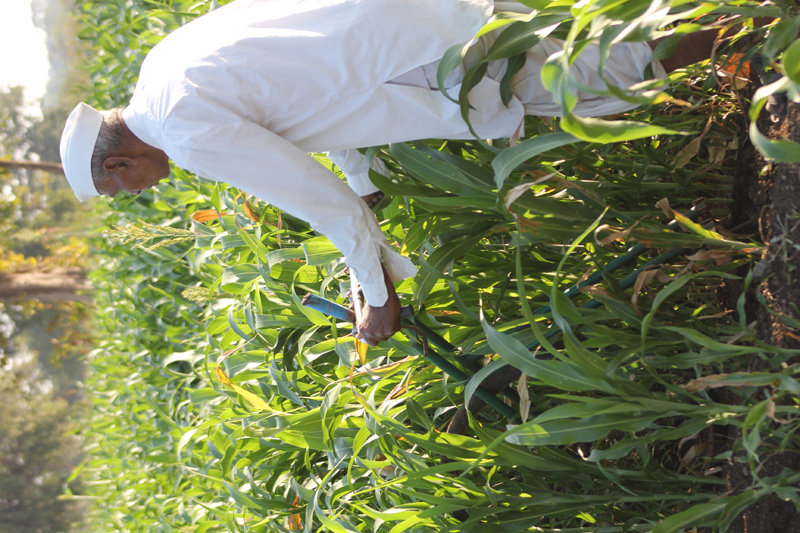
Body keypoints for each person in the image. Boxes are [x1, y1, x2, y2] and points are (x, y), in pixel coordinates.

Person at [59, 0, 737, 345]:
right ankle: (740, 25)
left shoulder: (185, 131)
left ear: (118, 161)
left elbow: (314, 196)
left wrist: (375, 293)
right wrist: (363, 179)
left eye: (122, 188)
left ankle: (758, 25)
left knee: (593, 72)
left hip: (422, 62)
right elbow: (302, 93)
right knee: (586, 35)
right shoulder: (162, 66)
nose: (140, 191)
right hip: (405, 20)